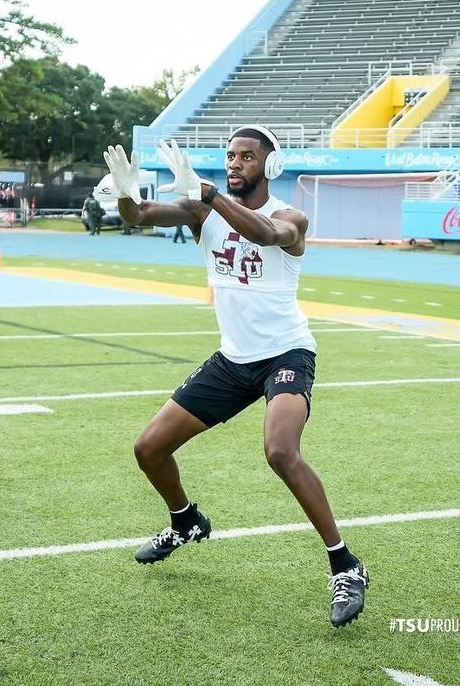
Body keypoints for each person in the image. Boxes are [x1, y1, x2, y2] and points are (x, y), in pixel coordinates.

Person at [100, 126, 368, 628]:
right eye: (230, 156)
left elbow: (266, 235)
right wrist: (124, 189)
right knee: (148, 449)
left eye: (247, 156)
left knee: (280, 451)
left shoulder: (290, 216)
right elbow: (137, 217)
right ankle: (185, 521)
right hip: (233, 359)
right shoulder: (206, 211)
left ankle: (345, 564)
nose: (235, 163)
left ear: (270, 165)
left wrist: (210, 195)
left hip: (286, 352)